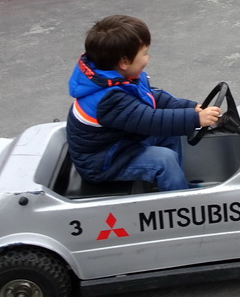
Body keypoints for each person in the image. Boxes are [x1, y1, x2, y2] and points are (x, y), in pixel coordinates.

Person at [66, 14, 220, 191]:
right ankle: (181, 200)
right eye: (145, 54)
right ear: (124, 62)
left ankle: (174, 183)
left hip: (118, 144)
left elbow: (152, 98)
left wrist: (189, 107)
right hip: (104, 162)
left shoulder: (118, 77)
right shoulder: (109, 99)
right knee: (164, 160)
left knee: (170, 133)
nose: (148, 58)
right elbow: (150, 120)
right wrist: (194, 119)